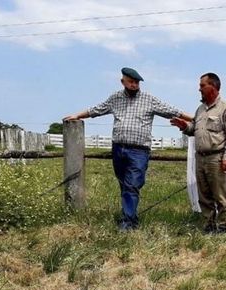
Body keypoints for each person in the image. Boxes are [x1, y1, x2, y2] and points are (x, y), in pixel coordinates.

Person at [63, 67, 193, 231]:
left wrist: (196, 118)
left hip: (139, 150)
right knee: (124, 184)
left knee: (132, 184)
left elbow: (173, 111)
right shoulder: (115, 98)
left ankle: (128, 223)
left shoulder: (149, 99)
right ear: (123, 81)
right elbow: (96, 109)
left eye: (136, 82)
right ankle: (130, 215)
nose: (134, 85)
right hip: (118, 148)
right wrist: (77, 116)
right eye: (131, 81)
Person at [170, 72, 226, 234]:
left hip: (217, 158)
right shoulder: (200, 109)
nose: (199, 89)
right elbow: (194, 129)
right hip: (200, 158)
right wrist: (184, 127)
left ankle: (224, 228)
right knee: (204, 197)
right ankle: (208, 227)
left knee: (220, 196)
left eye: (202, 85)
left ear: (213, 87)